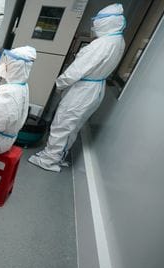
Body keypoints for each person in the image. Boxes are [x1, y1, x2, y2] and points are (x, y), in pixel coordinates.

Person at [28, 4, 126, 172]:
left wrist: (60, 84)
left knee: (63, 123)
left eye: (98, 21)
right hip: (95, 88)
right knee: (72, 126)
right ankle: (59, 156)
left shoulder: (101, 44)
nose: (94, 25)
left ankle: (49, 160)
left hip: (84, 89)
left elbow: (76, 70)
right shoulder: (118, 40)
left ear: (106, 22)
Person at [0, 46, 36, 155]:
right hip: (5, 139)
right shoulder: (21, 86)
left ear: (15, 67)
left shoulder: (9, 93)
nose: (3, 65)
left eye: (7, 63)